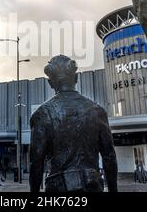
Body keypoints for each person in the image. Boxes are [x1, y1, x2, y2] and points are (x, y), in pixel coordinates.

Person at [29, 55, 118, 192]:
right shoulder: (97, 111)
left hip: (58, 189)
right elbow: (109, 156)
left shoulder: (42, 114)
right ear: (76, 79)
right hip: (92, 186)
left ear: (50, 83)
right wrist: (113, 190)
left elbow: (36, 161)